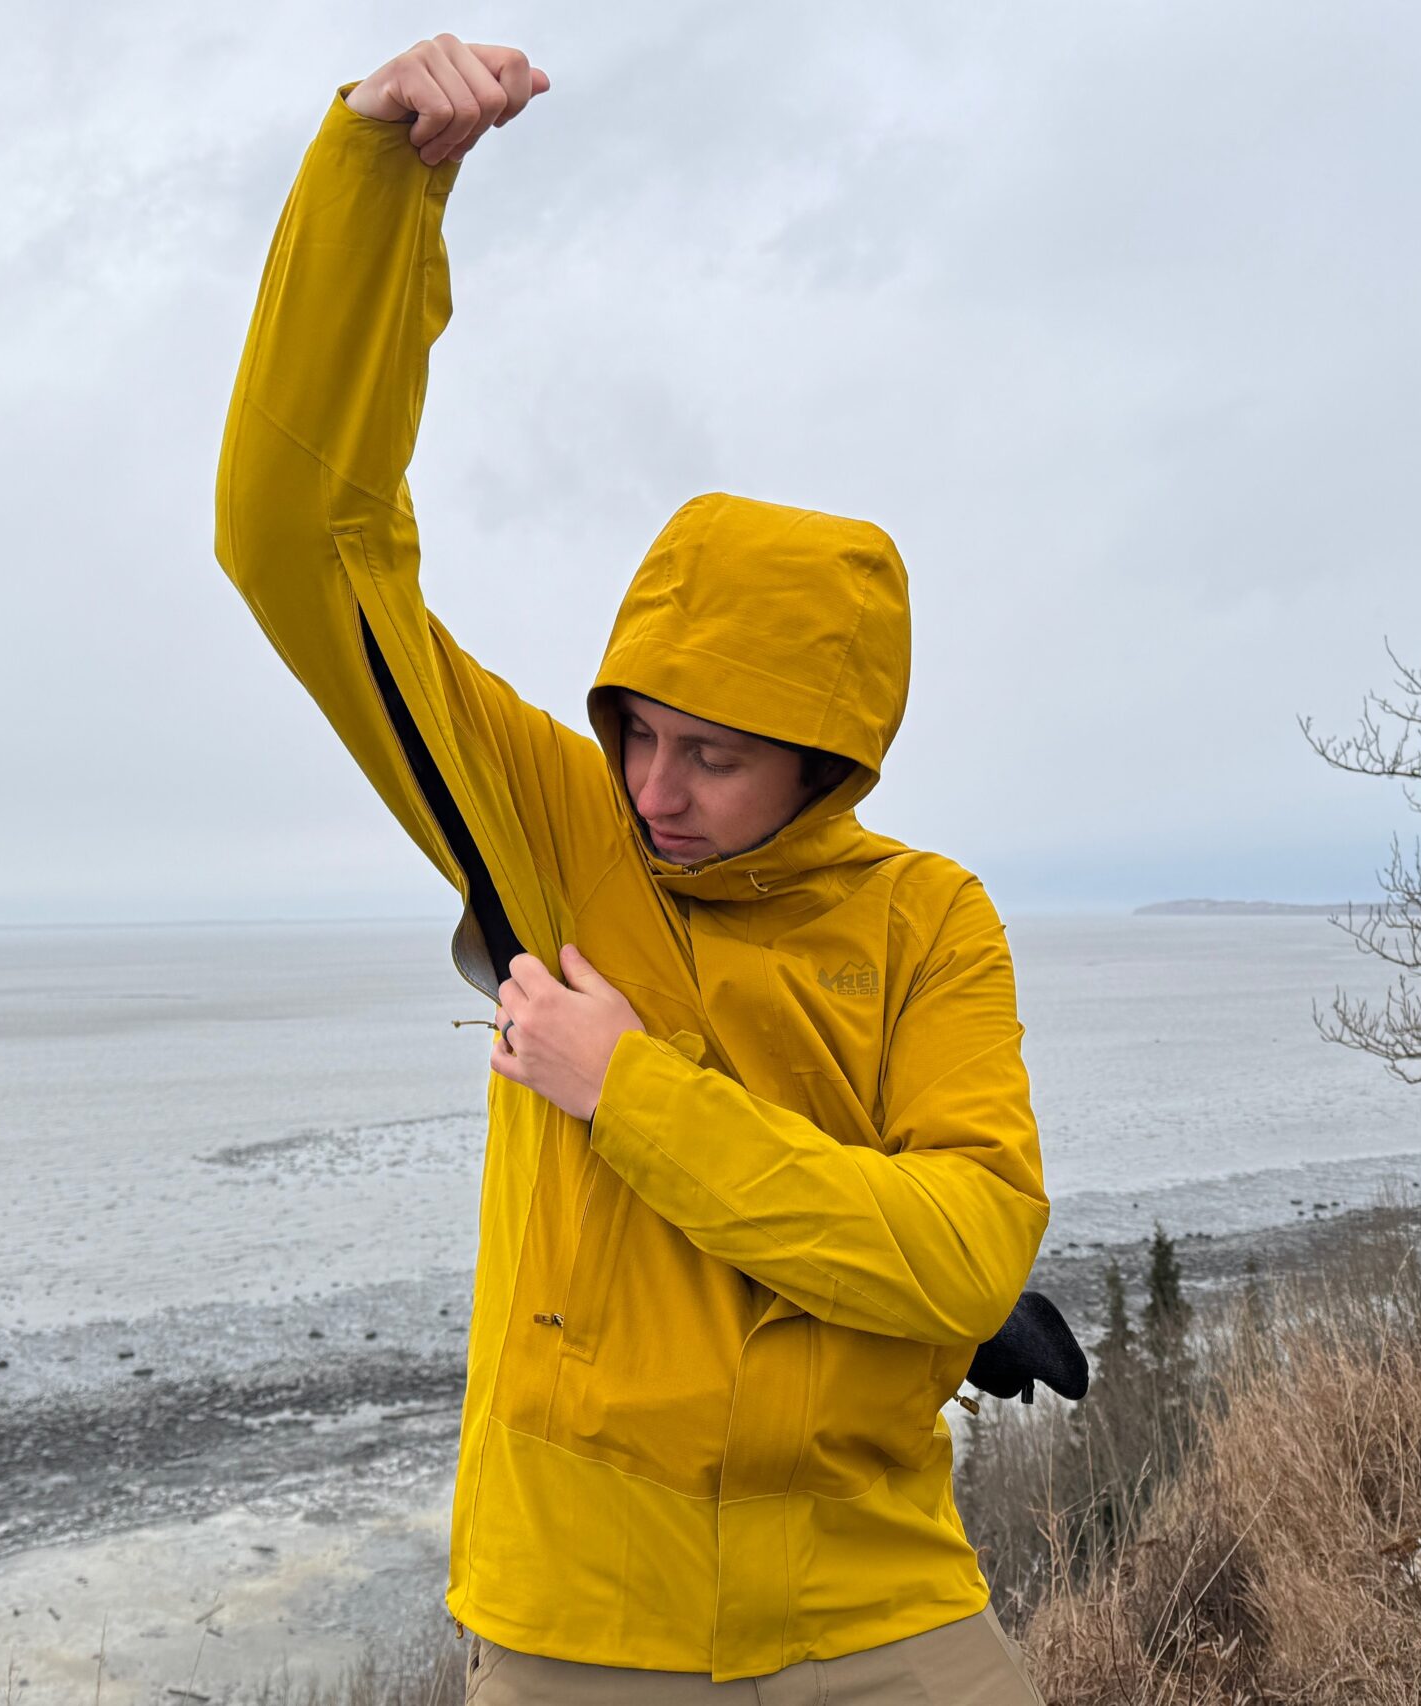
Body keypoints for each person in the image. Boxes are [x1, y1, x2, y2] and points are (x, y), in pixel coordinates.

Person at [212, 34, 1050, 1703]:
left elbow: (970, 1248)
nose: (655, 791)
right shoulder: (551, 826)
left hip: (873, 1602)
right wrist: (384, 187)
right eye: (636, 732)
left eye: (714, 755)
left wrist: (634, 1090)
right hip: (576, 1622)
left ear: (827, 756)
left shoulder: (927, 918)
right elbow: (301, 540)